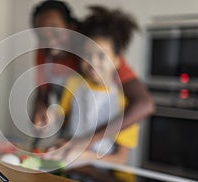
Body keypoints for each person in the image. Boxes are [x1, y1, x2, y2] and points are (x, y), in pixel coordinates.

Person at [30, 0, 154, 152]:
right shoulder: (44, 52)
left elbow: (144, 103)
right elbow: (43, 93)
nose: (50, 42)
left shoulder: (96, 49)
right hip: (69, 142)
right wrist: (40, 109)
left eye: (56, 32)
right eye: (42, 36)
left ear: (72, 27)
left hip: (100, 148)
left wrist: (87, 141)